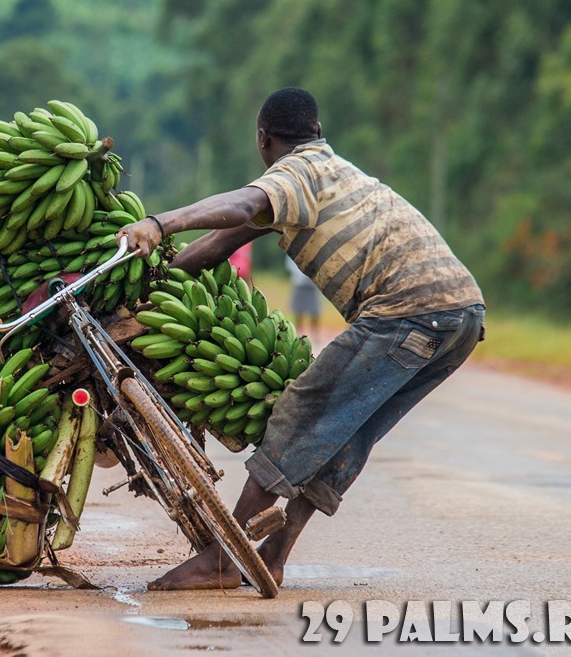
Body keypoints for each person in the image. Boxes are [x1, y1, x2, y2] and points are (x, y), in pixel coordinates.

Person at [119, 87, 484, 590]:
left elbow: (243, 202)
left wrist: (160, 223)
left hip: (408, 310)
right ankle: (271, 556)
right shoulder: (329, 175)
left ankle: (223, 558)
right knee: (346, 434)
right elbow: (222, 241)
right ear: (317, 129)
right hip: (463, 314)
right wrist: (149, 284)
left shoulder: (296, 172)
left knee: (302, 412)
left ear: (263, 139)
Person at [285, 255, 322, 344]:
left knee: (314, 311)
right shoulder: (293, 250)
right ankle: (298, 335)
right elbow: (290, 265)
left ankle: (315, 335)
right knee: (298, 311)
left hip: (312, 283)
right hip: (299, 282)